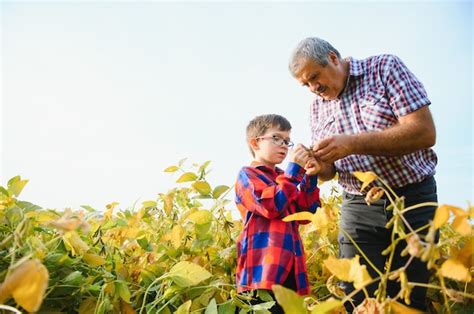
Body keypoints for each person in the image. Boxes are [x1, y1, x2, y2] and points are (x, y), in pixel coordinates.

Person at [288, 37, 438, 311]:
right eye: (305, 84)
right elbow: (329, 171)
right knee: (356, 294)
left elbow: (424, 132)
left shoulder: (384, 68)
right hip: (358, 203)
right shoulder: (316, 107)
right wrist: (319, 166)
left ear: (333, 58)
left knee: (408, 295)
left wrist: (353, 143)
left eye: (314, 77)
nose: (313, 88)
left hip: (413, 197)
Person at [235, 114, 321, 313]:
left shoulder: (285, 178)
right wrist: (293, 171)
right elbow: (270, 206)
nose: (283, 145)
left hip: (290, 268)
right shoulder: (247, 175)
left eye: (287, 141)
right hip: (261, 273)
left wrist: (310, 177)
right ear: (255, 143)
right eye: (276, 138)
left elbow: (306, 213)